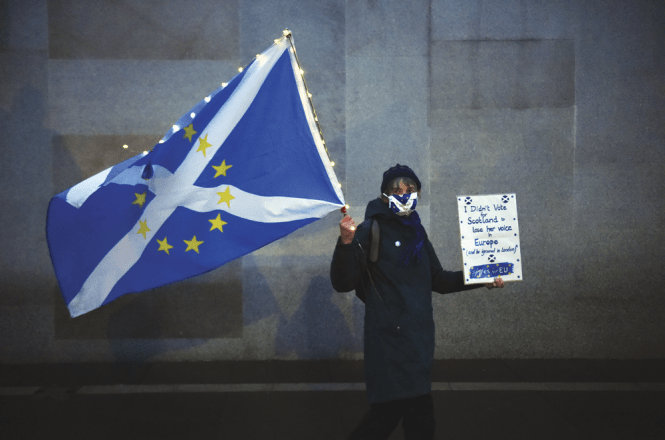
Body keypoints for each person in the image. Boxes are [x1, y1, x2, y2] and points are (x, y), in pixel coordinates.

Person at [330, 164, 504, 440]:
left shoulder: (417, 232)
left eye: (410, 188)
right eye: (396, 189)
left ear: (418, 193)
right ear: (385, 195)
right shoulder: (370, 228)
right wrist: (346, 242)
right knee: (404, 416)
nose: (404, 194)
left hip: (417, 342)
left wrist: (480, 277)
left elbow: (439, 280)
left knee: (393, 416)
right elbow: (343, 283)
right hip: (389, 343)